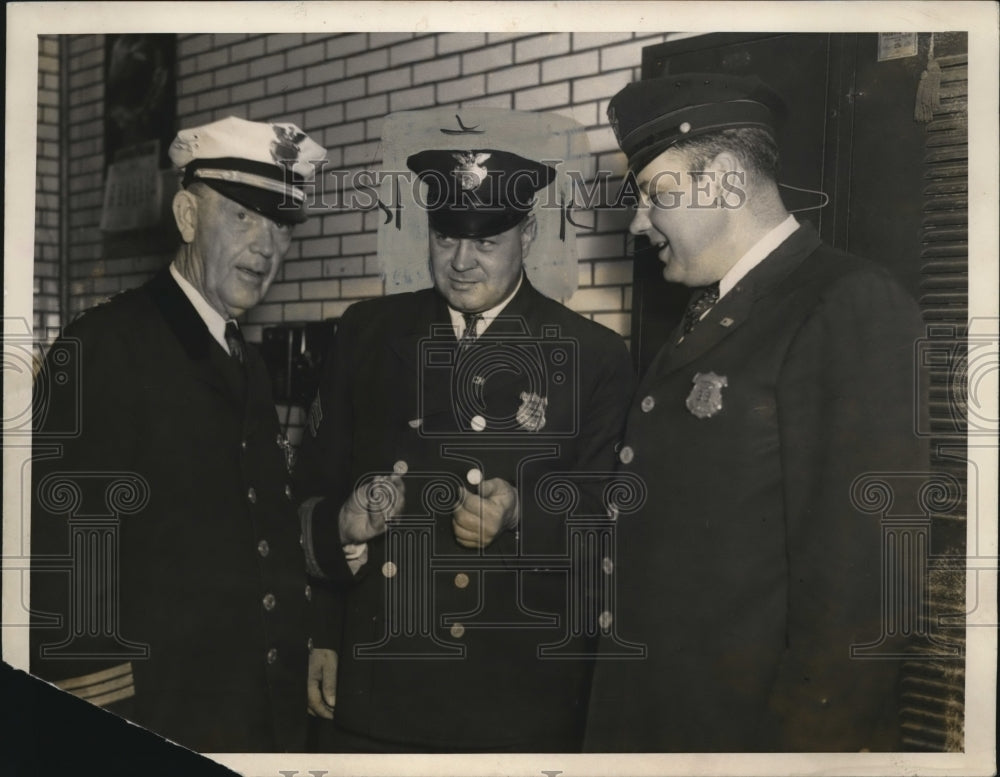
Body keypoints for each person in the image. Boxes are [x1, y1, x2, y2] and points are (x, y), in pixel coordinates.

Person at [584, 73, 929, 752]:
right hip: (665, 722)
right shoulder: (705, 315)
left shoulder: (846, 304)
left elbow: (865, 595)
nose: (637, 221)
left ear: (727, 182)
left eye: (655, 194)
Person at [295, 146, 635, 752]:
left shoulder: (593, 357)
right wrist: (321, 633)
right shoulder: (367, 335)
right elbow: (316, 488)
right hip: (378, 687)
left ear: (526, 234)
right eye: (446, 236)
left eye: (485, 242)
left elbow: (606, 523)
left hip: (511, 697)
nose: (460, 261)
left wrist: (523, 512)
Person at [29, 116, 326, 752]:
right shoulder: (106, 347)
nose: (266, 246)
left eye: (281, 225)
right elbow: (70, 566)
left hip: (252, 714)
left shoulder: (238, 353)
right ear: (187, 217)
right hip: (164, 716)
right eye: (244, 217)